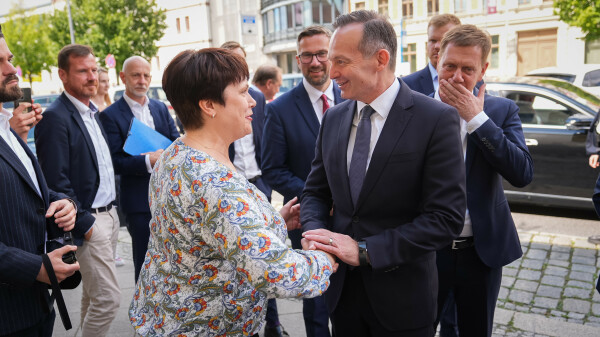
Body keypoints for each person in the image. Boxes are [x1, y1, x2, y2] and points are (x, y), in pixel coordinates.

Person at [128, 48, 335, 336]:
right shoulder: (215, 184)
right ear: (209, 105)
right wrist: (328, 257)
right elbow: (277, 274)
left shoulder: (176, 153)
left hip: (169, 318)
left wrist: (274, 220)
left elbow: (209, 230)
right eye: (242, 91)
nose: (252, 101)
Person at [300, 10, 467, 336]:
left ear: (380, 58)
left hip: (402, 303)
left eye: (341, 62)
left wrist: (364, 251)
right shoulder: (334, 118)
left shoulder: (435, 119)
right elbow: (315, 192)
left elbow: (445, 219)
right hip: (343, 297)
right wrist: (316, 235)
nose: (331, 72)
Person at [433, 25, 534, 336]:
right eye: (450, 66)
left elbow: (522, 173)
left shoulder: (501, 111)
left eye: (468, 69)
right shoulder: (415, 108)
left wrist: (477, 119)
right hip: (426, 250)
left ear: (484, 69)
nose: (457, 77)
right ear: (438, 60)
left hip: (481, 251)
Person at [261, 25, 343, 337]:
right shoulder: (280, 109)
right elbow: (273, 169)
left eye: (322, 53)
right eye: (307, 56)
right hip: (311, 220)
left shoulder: (351, 97)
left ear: (332, 56)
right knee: (318, 305)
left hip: (356, 220)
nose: (315, 61)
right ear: (298, 61)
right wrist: (318, 199)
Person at [34, 44, 121, 337]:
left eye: (93, 69)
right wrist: (86, 225)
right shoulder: (56, 117)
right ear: (63, 75)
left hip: (110, 216)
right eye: (82, 71)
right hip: (89, 222)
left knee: (92, 297)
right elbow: (54, 181)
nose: (91, 76)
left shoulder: (92, 112)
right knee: (108, 300)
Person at [0, 24, 80, 337]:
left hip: (38, 307)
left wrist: (64, 203)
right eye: (1, 62)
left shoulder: (7, 127)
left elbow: (35, 192)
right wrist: (35, 268)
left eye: (9, 58)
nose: (11, 68)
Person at [220, 41, 286, 337]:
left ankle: (271, 322)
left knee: (263, 250)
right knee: (243, 258)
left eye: (241, 63)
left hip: (258, 181)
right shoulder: (220, 102)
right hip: (232, 181)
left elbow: (266, 140)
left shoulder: (256, 98)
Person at [402, 14, 463, 337]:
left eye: (445, 39)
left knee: (456, 321)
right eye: (432, 40)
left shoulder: (477, 86)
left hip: (470, 238)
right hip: (420, 230)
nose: (437, 47)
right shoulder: (406, 87)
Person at [99, 56, 180, 282]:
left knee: (173, 260)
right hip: (138, 201)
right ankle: (144, 314)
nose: (142, 80)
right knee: (145, 262)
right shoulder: (110, 115)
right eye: (136, 75)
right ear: (123, 77)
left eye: (146, 75)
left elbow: (175, 141)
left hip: (168, 197)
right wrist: (147, 161)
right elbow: (114, 161)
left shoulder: (160, 108)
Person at [402, 14, 461, 96]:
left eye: (444, 41)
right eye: (432, 40)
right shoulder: (406, 85)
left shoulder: (475, 85)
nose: (437, 46)